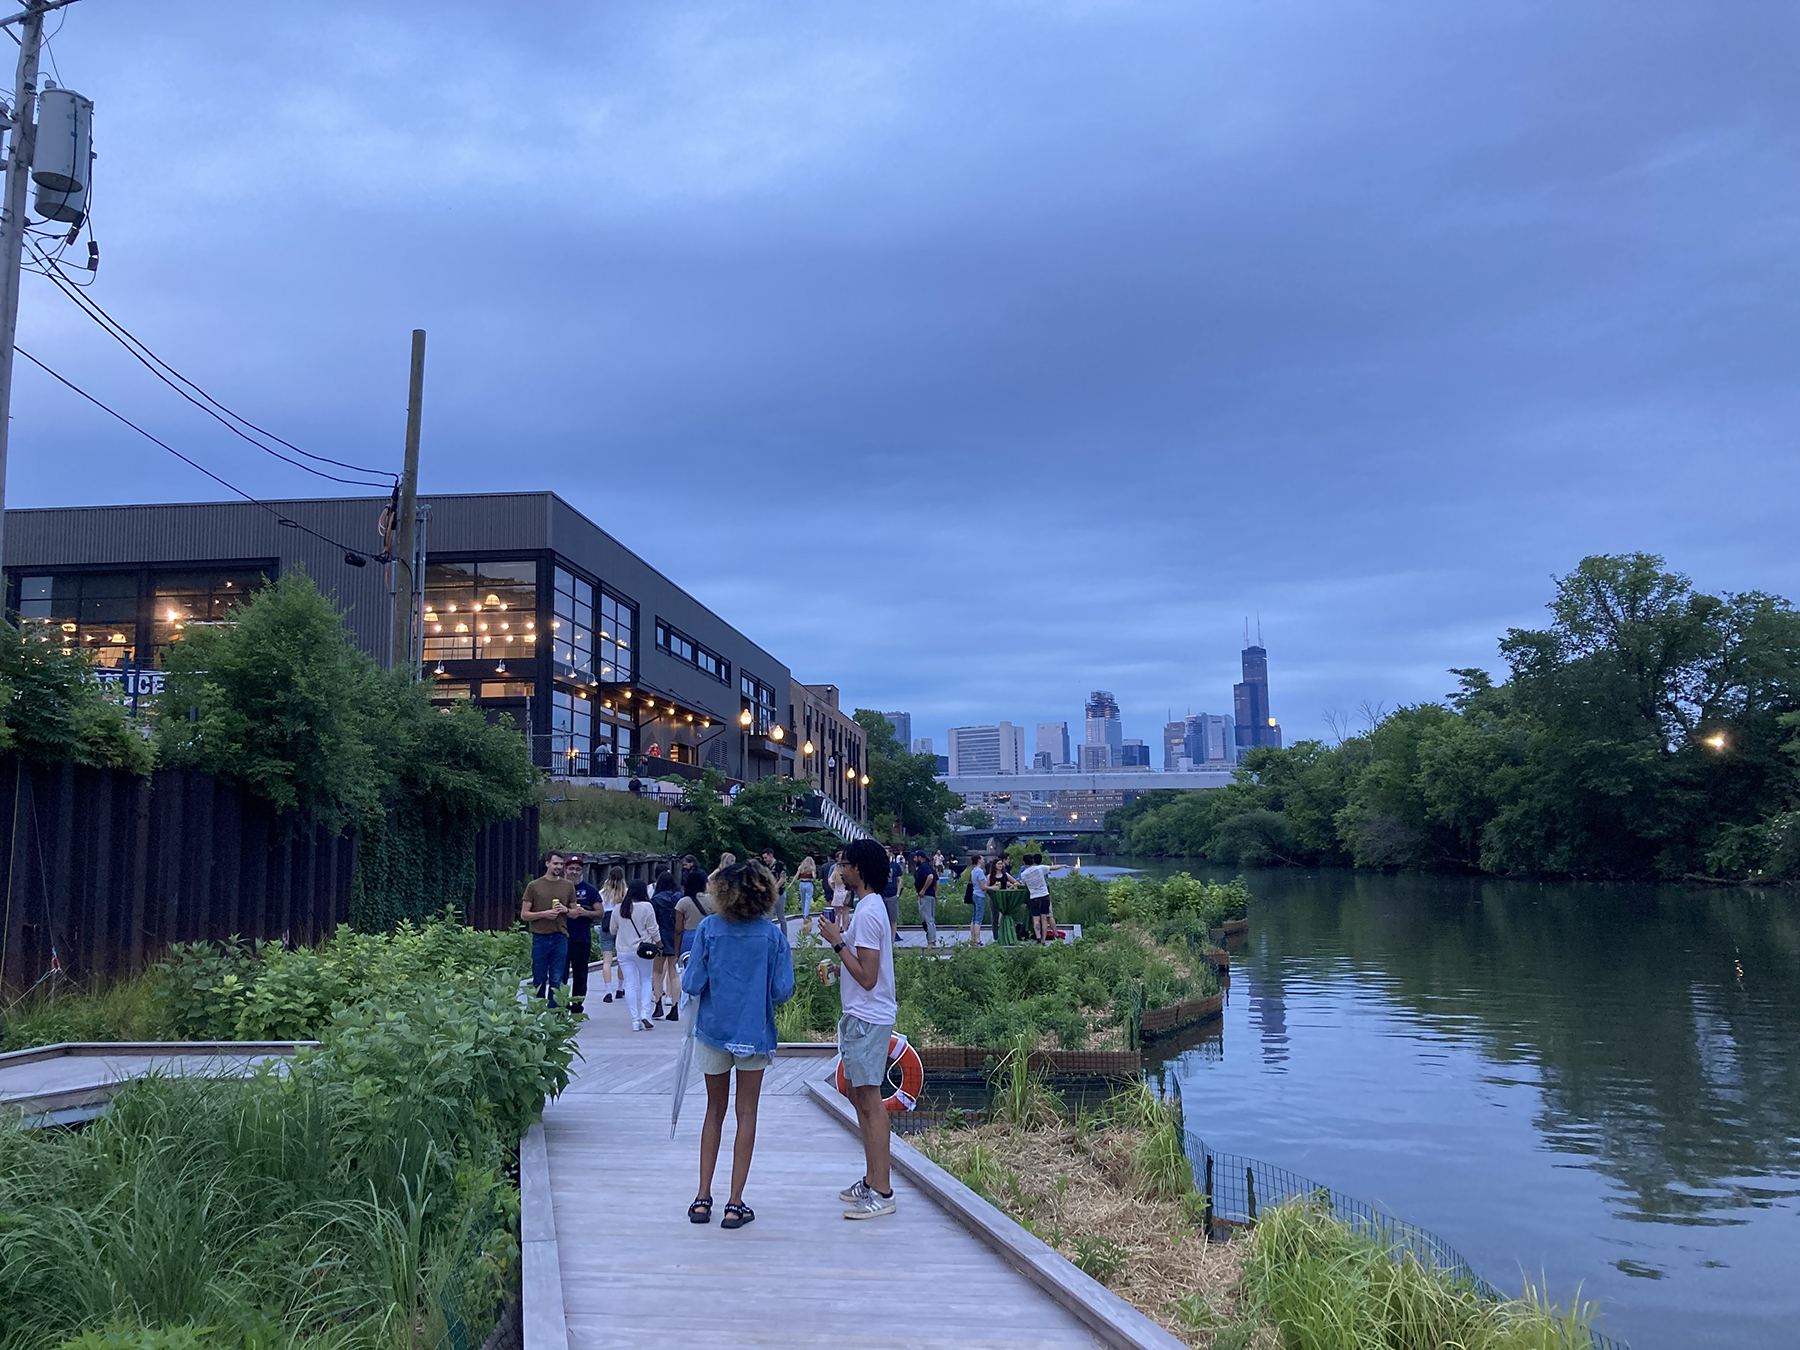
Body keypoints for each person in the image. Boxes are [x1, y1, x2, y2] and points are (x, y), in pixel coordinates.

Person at [681, 860, 796, 1230]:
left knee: (714, 1110)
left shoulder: (709, 928)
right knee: (746, 1114)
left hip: (714, 1030)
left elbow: (691, 984)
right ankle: (735, 1203)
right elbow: (782, 991)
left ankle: (701, 1197)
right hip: (754, 1034)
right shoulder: (772, 935)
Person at [817, 838, 898, 1220]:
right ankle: (871, 1179)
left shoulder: (866, 913)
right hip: (861, 1015)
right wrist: (837, 966)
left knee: (869, 1101)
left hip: (868, 1017)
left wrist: (836, 945)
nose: (839, 870)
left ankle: (882, 1190)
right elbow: (863, 967)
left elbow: (867, 977)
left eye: (844, 864)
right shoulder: (868, 907)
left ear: (859, 869)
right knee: (859, 1097)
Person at [519, 853, 574, 1006]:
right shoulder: (534, 886)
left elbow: (576, 912)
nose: (559, 867)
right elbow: (524, 914)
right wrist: (544, 914)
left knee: (557, 977)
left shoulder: (568, 885)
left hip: (560, 936)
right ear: (547, 863)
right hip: (540, 936)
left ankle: (553, 1014)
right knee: (539, 977)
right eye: (555, 863)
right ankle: (537, 1011)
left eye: (561, 864)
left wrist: (565, 910)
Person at [613, 878, 662, 1030]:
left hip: (623, 950)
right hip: (643, 950)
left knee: (630, 984)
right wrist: (659, 944)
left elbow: (613, 929)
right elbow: (653, 928)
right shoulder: (647, 906)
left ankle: (635, 1020)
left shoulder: (619, 908)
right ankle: (645, 1014)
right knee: (646, 980)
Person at [564, 855, 600, 1014]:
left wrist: (586, 913)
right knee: (560, 974)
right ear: (565, 870)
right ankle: (561, 1005)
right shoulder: (559, 888)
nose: (574, 872)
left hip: (581, 938)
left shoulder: (590, 890)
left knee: (580, 974)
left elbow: (600, 913)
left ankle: (577, 1005)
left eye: (577, 869)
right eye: (571, 868)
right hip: (561, 937)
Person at [650, 869, 684, 1018]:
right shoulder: (680, 898)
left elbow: (653, 921)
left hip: (660, 938)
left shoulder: (656, 900)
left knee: (657, 972)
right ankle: (675, 1007)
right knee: (674, 973)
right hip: (676, 938)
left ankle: (658, 1003)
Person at [1018, 852, 1071, 943]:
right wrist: (1063, 865)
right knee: (1044, 918)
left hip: (1034, 897)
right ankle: (1043, 939)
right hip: (1044, 895)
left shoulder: (1024, 874)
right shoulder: (1040, 868)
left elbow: (1025, 885)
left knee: (1036, 920)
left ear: (1024, 862)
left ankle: (1038, 938)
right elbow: (1054, 868)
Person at [597, 865, 627, 1003]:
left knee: (607, 960)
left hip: (606, 925)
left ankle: (608, 990)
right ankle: (620, 989)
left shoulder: (603, 892)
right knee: (621, 959)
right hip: (621, 926)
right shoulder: (625, 893)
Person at [911, 850, 940, 947]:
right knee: (929, 918)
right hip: (930, 895)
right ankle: (932, 940)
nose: (914, 859)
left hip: (925, 895)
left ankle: (931, 941)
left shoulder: (924, 867)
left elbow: (931, 877)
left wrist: (923, 890)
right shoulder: (929, 866)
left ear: (920, 857)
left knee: (927, 919)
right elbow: (937, 880)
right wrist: (935, 893)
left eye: (915, 857)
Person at [760, 849, 790, 934]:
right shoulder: (766, 867)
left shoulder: (780, 865)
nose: (765, 860)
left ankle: (784, 936)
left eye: (766, 858)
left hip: (779, 893)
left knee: (781, 916)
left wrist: (774, 888)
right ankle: (768, 935)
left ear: (771, 855)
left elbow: (783, 878)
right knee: (767, 916)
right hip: (769, 894)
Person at [966, 853, 988, 948]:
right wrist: (993, 887)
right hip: (980, 896)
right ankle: (977, 940)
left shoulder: (973, 871)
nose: (984, 861)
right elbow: (983, 887)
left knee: (974, 917)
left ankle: (972, 938)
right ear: (979, 860)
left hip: (974, 894)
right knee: (979, 918)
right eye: (982, 859)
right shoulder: (980, 872)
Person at [882, 846, 903, 941]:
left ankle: (892, 940)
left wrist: (898, 893)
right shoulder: (880, 865)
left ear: (890, 853)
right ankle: (884, 939)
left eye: (886, 852)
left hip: (892, 894)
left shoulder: (895, 866)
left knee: (893, 919)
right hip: (882, 894)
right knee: (882, 919)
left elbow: (899, 879)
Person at [796, 856, 818, 933]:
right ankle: (806, 915)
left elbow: (796, 876)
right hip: (809, 883)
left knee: (803, 899)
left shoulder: (801, 867)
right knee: (808, 900)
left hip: (802, 883)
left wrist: (791, 883)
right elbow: (814, 877)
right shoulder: (812, 867)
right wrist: (813, 873)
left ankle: (803, 914)